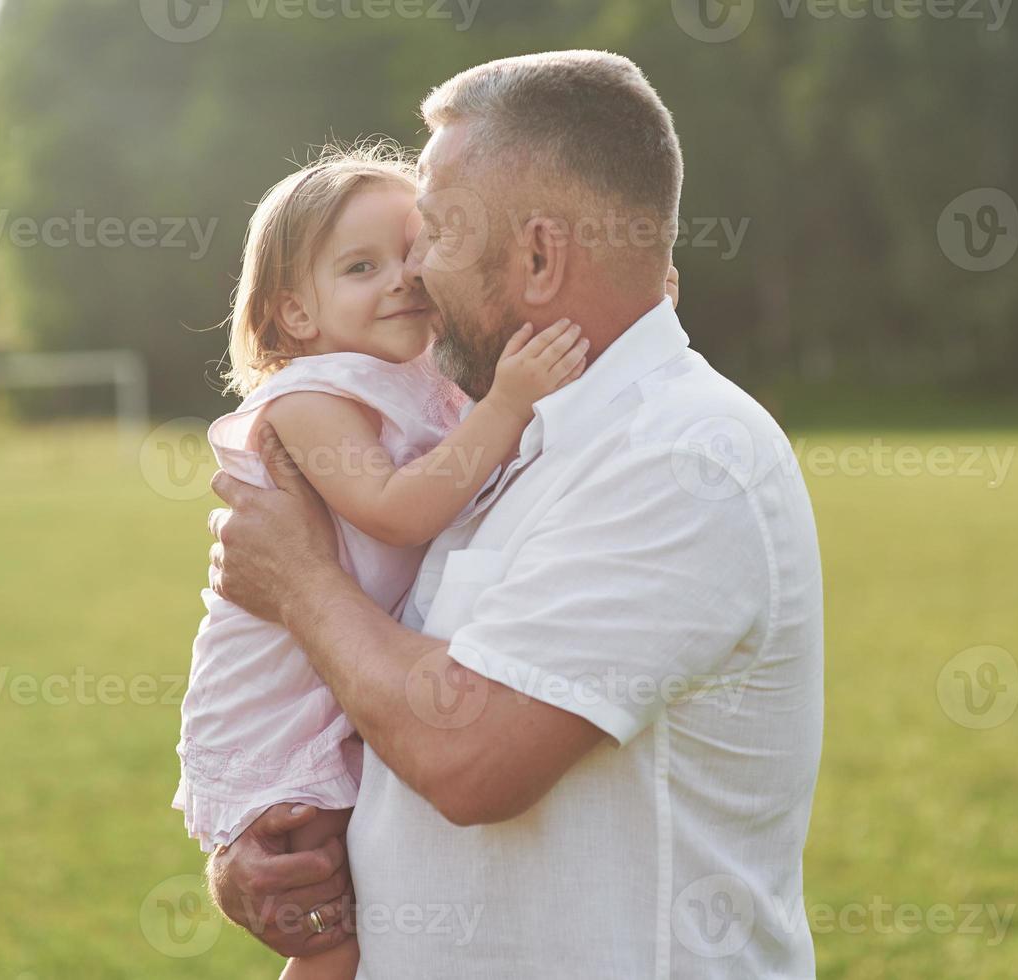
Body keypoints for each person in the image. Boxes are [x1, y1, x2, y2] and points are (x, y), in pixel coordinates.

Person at [207, 50, 824, 978]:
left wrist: (298, 581)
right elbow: (374, 688)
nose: (413, 269)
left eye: (436, 232)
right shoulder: (502, 433)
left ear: (537, 257)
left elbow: (469, 760)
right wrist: (270, 854)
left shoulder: (683, 458)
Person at [176, 141, 594, 980]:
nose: (401, 278)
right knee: (331, 932)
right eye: (362, 266)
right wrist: (509, 404)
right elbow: (397, 513)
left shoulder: (424, 372)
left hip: (342, 673)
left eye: (414, 253)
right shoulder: (312, 399)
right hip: (276, 702)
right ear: (295, 313)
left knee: (364, 914)